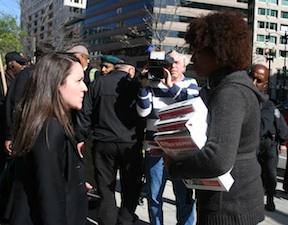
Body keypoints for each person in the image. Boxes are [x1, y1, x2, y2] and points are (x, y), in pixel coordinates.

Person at [162, 10, 265, 225]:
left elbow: (217, 158)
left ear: (217, 51)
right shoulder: (229, 87)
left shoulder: (230, 92)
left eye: (197, 51)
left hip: (228, 208)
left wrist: (175, 166)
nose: (192, 58)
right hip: (234, 202)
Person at [7, 53, 88, 225]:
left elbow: (53, 174)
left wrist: (75, 181)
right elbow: (49, 194)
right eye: (78, 80)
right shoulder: (49, 128)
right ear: (57, 83)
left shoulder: (48, 121)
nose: (85, 88)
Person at [75, 58, 144, 225]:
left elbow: (85, 113)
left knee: (105, 187)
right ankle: (125, 218)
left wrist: (81, 137)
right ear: (130, 71)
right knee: (131, 184)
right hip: (130, 144)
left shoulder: (98, 83)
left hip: (103, 141)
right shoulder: (137, 86)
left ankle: (107, 220)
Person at [136, 50, 199, 225]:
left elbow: (191, 106)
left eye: (176, 63)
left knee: (184, 196)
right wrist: (143, 86)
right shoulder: (152, 84)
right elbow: (143, 112)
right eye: (169, 63)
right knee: (154, 196)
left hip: (181, 151)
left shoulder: (190, 83)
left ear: (184, 66)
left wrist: (171, 85)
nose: (172, 66)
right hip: (154, 149)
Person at [249, 64, 288, 211]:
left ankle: (270, 199)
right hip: (255, 144)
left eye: (258, 80)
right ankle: (257, 199)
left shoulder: (269, 105)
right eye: (251, 78)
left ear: (265, 85)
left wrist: (283, 141)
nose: (253, 83)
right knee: (256, 174)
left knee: (270, 173)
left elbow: (280, 124)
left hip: (269, 144)